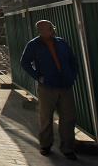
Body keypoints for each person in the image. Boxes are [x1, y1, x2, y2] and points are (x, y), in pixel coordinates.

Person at [20, 19, 78, 160]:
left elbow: (72, 61)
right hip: (47, 88)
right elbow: (24, 62)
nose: (46, 31)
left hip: (65, 86)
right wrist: (38, 76)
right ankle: (45, 145)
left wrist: (72, 76)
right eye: (41, 29)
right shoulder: (33, 45)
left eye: (48, 28)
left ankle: (67, 148)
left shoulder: (61, 43)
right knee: (46, 118)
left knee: (68, 118)